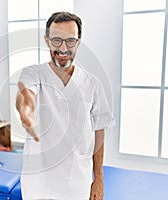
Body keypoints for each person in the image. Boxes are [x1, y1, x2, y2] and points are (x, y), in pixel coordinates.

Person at [16, 12, 115, 200]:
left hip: (76, 185)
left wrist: (99, 179)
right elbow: (26, 94)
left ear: (78, 42)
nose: (63, 48)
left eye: (70, 41)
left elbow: (98, 133)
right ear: (47, 40)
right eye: (56, 40)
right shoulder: (33, 74)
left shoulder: (93, 84)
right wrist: (26, 110)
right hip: (37, 185)